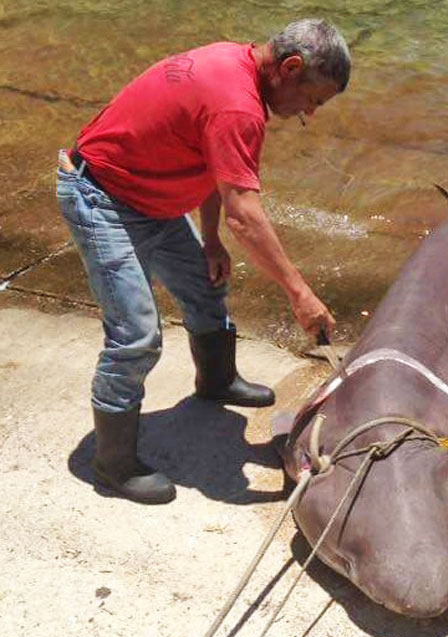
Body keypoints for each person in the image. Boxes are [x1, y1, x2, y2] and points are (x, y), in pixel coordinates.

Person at [56, 19, 351, 504]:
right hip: (103, 197)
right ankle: (112, 464)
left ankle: (216, 380)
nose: (309, 113)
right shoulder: (239, 105)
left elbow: (217, 169)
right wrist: (300, 293)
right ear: (291, 67)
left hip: (156, 198)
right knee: (137, 336)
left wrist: (211, 240)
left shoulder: (238, 66)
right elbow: (246, 214)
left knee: (207, 283)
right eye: (313, 99)